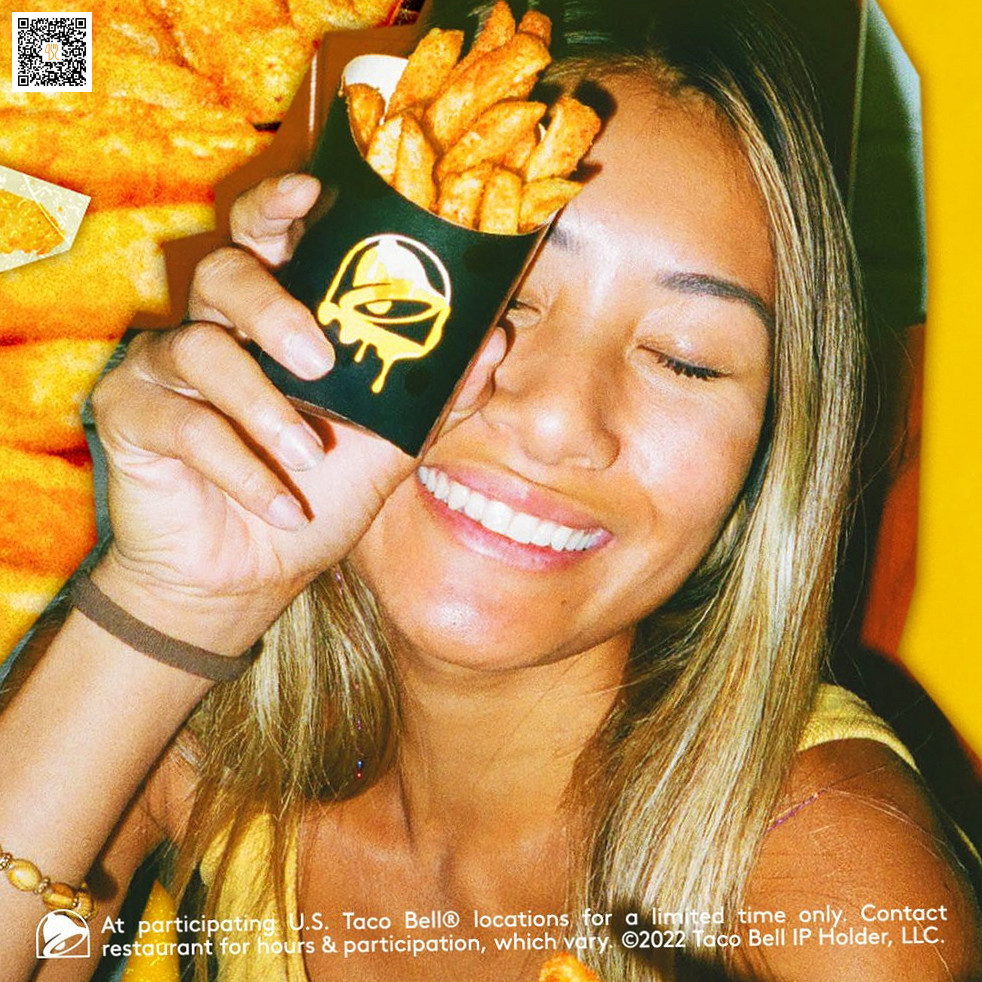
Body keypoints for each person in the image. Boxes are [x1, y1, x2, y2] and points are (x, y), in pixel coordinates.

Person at [0, 1, 979, 980]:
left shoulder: (837, 894)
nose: (555, 419)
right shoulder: (190, 717)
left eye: (685, 358)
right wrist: (174, 603)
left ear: (766, 456)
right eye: (501, 296)